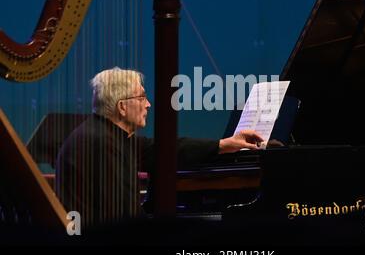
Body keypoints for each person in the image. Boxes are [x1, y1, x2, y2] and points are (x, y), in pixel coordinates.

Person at [55, 67, 263, 228]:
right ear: (122, 107)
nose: (148, 105)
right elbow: (123, 219)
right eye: (142, 97)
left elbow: (165, 148)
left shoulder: (105, 134)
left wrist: (224, 144)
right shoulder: (101, 143)